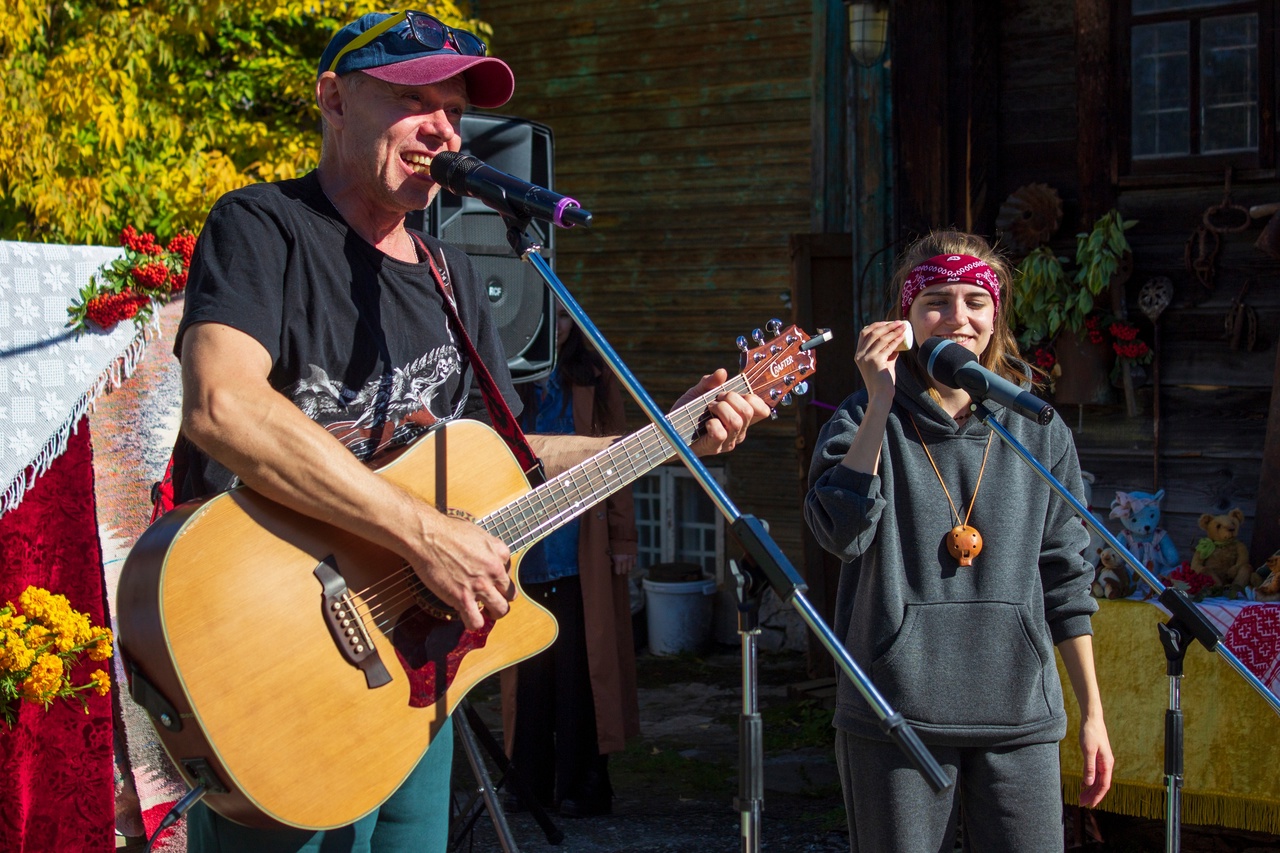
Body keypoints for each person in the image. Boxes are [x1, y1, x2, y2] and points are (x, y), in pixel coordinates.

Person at [169, 10, 770, 852]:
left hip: (412, 671)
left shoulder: (450, 276)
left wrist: (672, 438)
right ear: (335, 99)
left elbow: (509, 463)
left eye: (454, 108)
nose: (443, 127)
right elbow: (222, 406)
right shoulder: (262, 228)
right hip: (277, 652)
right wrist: (426, 535)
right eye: (415, 99)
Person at [804, 231, 1114, 853]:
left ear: (996, 313)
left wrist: (1093, 715)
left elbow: (1066, 577)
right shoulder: (863, 419)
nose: (958, 317)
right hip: (895, 714)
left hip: (1020, 715)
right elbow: (842, 535)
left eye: (975, 299)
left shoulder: (1036, 427)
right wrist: (878, 399)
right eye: (936, 301)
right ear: (906, 316)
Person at [498, 307, 639, 819]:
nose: (552, 326)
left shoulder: (595, 374)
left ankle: (585, 785)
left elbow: (620, 459)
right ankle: (528, 785)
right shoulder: (502, 372)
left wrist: (623, 537)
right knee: (529, 674)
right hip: (523, 549)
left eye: (560, 317)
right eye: (541, 315)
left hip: (581, 545)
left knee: (582, 672)